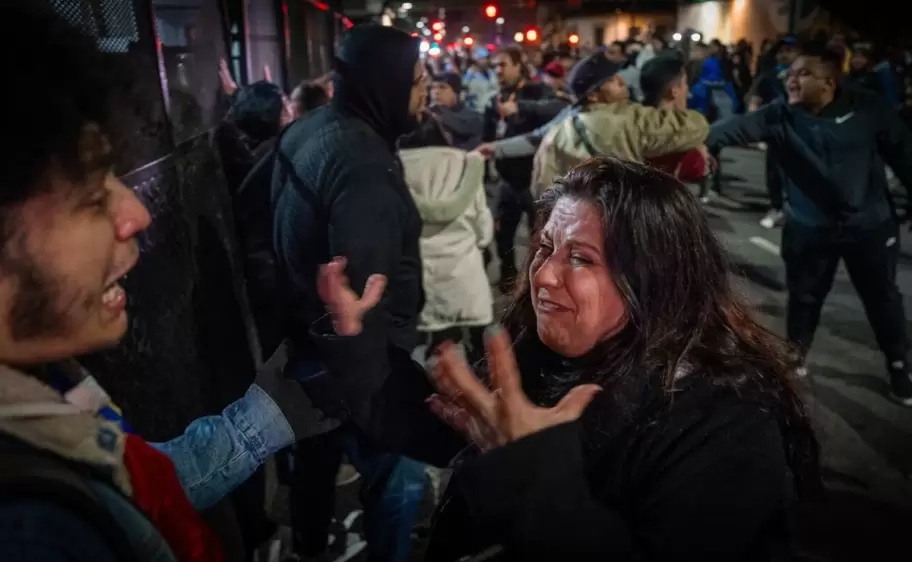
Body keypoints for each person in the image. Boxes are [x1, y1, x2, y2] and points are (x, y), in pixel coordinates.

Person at [0, 4, 366, 560]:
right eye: (91, 195)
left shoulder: (44, 392)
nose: (136, 215)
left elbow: (139, 476)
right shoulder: (32, 526)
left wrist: (264, 418)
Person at [420, 157, 821, 560]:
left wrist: (530, 474)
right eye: (545, 247)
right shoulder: (535, 351)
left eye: (581, 258)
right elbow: (441, 427)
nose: (542, 276)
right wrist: (359, 349)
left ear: (652, 279)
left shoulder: (726, 425)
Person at [271, 24, 460, 561]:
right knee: (397, 478)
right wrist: (388, 407)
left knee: (314, 460)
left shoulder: (306, 129)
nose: (427, 91)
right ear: (383, 85)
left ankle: (308, 546)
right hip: (363, 366)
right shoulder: (365, 170)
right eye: (418, 80)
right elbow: (363, 302)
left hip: (304, 344)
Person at [707, 44, 912, 405]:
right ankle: (796, 356)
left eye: (803, 73)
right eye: (790, 73)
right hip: (809, 228)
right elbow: (726, 131)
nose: (791, 79)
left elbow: (905, 154)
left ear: (829, 82)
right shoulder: (779, 115)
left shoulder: (867, 108)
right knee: (804, 297)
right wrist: (694, 147)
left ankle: (899, 366)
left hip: (869, 227)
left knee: (883, 299)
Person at [531, 52, 708, 196]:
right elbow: (695, 126)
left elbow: (542, 187)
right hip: (622, 222)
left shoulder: (557, 132)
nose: (621, 81)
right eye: (612, 80)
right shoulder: (628, 119)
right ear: (593, 95)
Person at [399, 147, 494, 366]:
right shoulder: (464, 165)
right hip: (461, 270)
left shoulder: (394, 165)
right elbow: (482, 229)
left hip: (420, 274)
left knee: (416, 344)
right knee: (459, 339)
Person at [484, 45, 567, 293]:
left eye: (503, 64)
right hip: (506, 181)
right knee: (502, 234)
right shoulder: (495, 99)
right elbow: (488, 138)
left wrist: (522, 108)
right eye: (495, 65)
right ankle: (509, 280)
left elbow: (559, 108)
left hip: (534, 180)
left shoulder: (537, 91)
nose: (498, 70)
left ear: (519, 66)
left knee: (541, 237)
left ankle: (537, 283)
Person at [747, 36, 801, 229]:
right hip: (776, 131)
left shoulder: (805, 77)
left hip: (801, 132)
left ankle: (795, 210)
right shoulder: (768, 76)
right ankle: (776, 207)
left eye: (789, 51)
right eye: (781, 51)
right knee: (775, 172)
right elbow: (755, 98)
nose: (784, 55)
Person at [639, 54, 710, 183]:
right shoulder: (685, 139)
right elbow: (699, 169)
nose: (687, 89)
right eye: (685, 83)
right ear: (674, 91)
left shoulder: (631, 123)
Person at [399, 72, 484, 150]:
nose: (436, 92)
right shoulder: (425, 116)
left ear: (456, 92)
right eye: (433, 88)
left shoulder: (473, 118)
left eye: (442, 87)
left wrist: (437, 114)